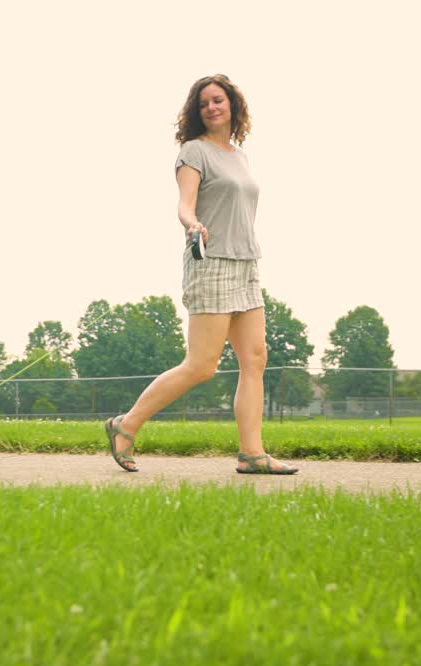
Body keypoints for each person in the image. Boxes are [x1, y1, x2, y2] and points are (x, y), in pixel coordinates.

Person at [103, 73, 298, 475]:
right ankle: (127, 424)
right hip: (210, 261)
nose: (211, 107)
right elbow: (184, 203)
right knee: (202, 365)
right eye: (204, 102)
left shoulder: (239, 155)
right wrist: (192, 224)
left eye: (218, 100)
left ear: (233, 106)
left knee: (255, 358)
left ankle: (252, 453)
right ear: (197, 111)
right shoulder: (193, 152)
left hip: (246, 263)